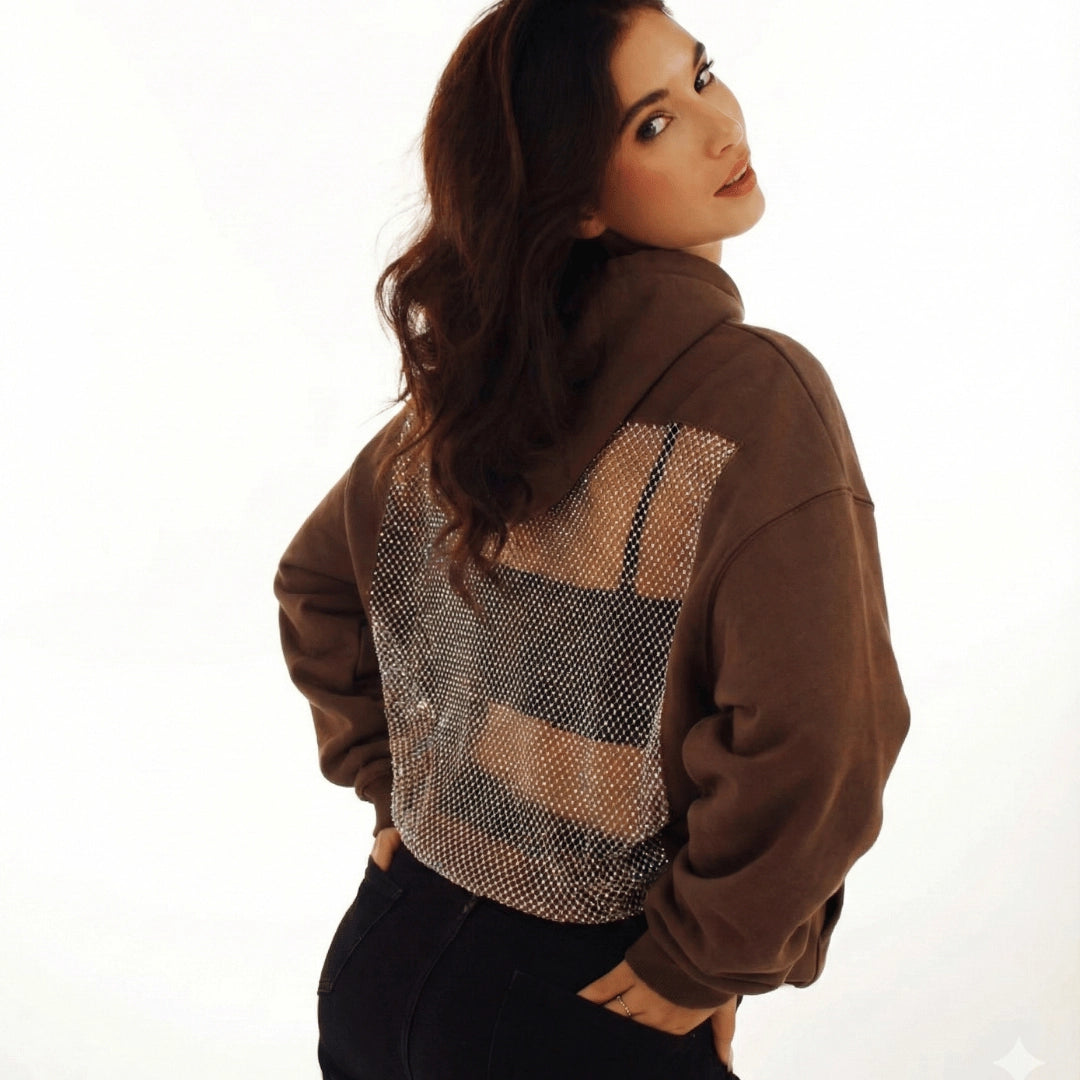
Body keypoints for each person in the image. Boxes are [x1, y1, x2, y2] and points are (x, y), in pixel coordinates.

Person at [273, 1, 910, 1077]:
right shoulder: (758, 395)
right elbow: (819, 735)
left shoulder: (471, 396)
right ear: (571, 198)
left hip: (386, 964)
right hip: (587, 1005)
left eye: (703, 75)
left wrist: (402, 797)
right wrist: (702, 957)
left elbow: (316, 585)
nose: (723, 130)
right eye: (653, 125)